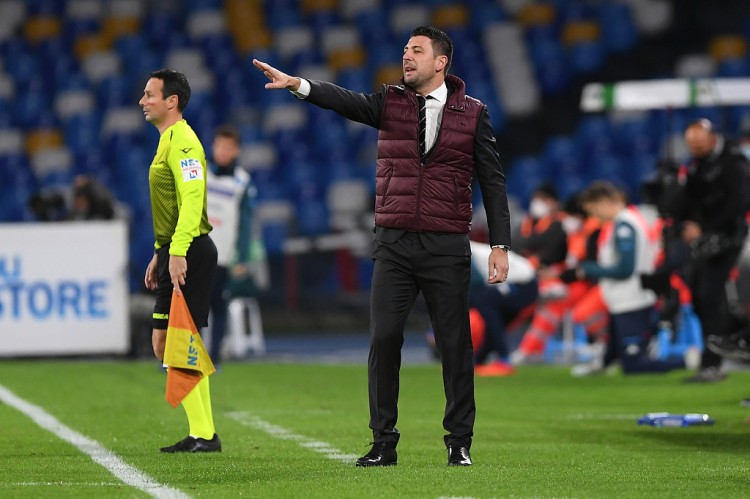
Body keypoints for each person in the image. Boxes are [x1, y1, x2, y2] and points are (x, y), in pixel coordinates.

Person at [254, 25, 511, 467]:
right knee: (385, 337)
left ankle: (459, 441)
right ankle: (383, 441)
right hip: (394, 243)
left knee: (455, 344)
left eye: (417, 50)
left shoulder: (473, 113)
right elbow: (344, 100)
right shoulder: (390, 101)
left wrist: (500, 244)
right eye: (405, 49)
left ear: (440, 62)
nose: (406, 56)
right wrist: (299, 85)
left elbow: (493, 181)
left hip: (447, 244)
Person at [140, 69, 220, 452]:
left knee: (176, 342)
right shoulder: (168, 139)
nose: (143, 101)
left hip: (190, 251)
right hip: (174, 248)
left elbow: (191, 200)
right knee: (167, 343)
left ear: (171, 101)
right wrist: (160, 252)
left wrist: (175, 251)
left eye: (150, 94)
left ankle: (204, 434)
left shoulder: (184, 142)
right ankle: (203, 433)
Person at [575, 181, 700, 375]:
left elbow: (625, 269)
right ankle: (603, 364)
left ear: (604, 201)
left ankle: (687, 360)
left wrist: (590, 269)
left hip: (631, 301)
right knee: (616, 346)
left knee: (633, 364)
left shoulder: (625, 225)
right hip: (623, 300)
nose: (594, 216)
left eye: (593, 210)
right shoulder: (624, 221)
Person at [666, 120, 748, 382]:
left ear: (713, 138)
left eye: (700, 146)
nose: (696, 151)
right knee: (701, 298)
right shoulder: (696, 164)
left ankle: (720, 359)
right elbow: (687, 200)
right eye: (692, 147)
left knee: (713, 296)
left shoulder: (733, 162)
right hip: (703, 241)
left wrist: (705, 228)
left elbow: (739, 203)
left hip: (731, 239)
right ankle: (712, 360)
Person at [205, 125, 257, 367]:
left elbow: (245, 224)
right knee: (190, 306)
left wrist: (242, 258)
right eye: (219, 146)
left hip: (223, 254)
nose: (223, 151)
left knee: (218, 305)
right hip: (197, 250)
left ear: (236, 151)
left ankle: (213, 358)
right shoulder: (201, 172)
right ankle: (180, 357)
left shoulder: (242, 182)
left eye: (228, 147)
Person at [469, 241, 537, 376]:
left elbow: (472, 285)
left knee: (484, 302)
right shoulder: (464, 248)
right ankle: (477, 361)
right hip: (516, 282)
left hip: (523, 283)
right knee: (493, 319)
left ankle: (504, 360)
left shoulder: (461, 251)